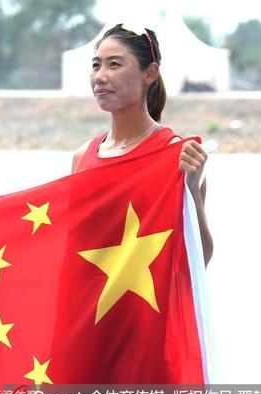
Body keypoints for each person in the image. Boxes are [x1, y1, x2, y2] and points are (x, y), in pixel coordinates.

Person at [72, 24, 213, 265]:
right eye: (96, 65)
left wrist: (191, 188)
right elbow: (73, 249)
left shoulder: (178, 156)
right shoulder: (82, 156)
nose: (100, 77)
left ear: (150, 73)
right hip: (93, 291)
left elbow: (201, 260)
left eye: (114, 64)